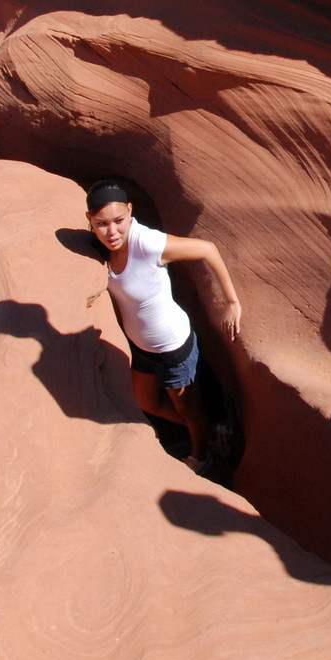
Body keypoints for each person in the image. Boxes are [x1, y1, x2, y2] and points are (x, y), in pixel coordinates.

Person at [84, 180, 242, 469]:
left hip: (171, 347)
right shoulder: (100, 245)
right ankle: (210, 428)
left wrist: (232, 302)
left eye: (119, 221)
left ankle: (202, 455)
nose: (112, 231)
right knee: (147, 402)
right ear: (90, 221)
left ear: (130, 212)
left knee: (187, 407)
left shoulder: (147, 243)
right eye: (102, 223)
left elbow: (207, 249)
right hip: (142, 346)